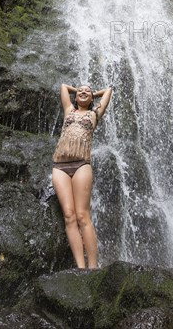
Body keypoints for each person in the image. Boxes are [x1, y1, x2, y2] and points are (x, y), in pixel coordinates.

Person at [52, 83, 113, 269]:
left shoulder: (95, 114)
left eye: (87, 90)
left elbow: (108, 91)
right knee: (69, 216)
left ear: (92, 97)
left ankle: (93, 267)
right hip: (59, 166)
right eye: (79, 91)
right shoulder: (68, 110)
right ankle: (80, 267)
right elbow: (63, 87)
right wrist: (78, 91)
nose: (83, 91)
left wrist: (92, 93)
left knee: (82, 215)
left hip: (81, 165)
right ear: (75, 97)